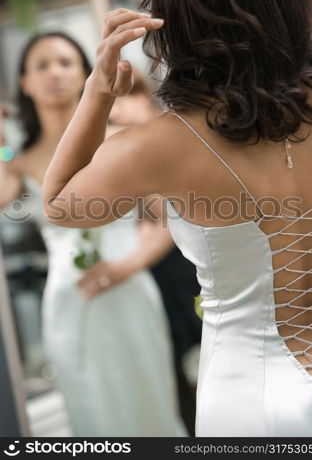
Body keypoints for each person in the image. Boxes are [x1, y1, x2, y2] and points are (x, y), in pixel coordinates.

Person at [42, 0, 312, 437]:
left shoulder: (157, 145)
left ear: (179, 5)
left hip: (248, 401)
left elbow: (59, 204)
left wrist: (98, 91)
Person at [0, 31, 187, 437]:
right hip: (70, 302)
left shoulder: (121, 142)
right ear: (24, 83)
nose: (55, 73)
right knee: (92, 413)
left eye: (66, 63)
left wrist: (127, 265)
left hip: (130, 290)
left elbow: (164, 220)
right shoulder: (18, 163)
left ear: (86, 73)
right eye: (41, 65)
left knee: (150, 406)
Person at [109, 70, 202, 436]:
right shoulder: (124, 141)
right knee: (173, 363)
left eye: (126, 98)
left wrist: (130, 262)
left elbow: (165, 212)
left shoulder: (164, 131)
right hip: (157, 267)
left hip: (183, 261)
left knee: (196, 352)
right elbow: (149, 214)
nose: (120, 110)